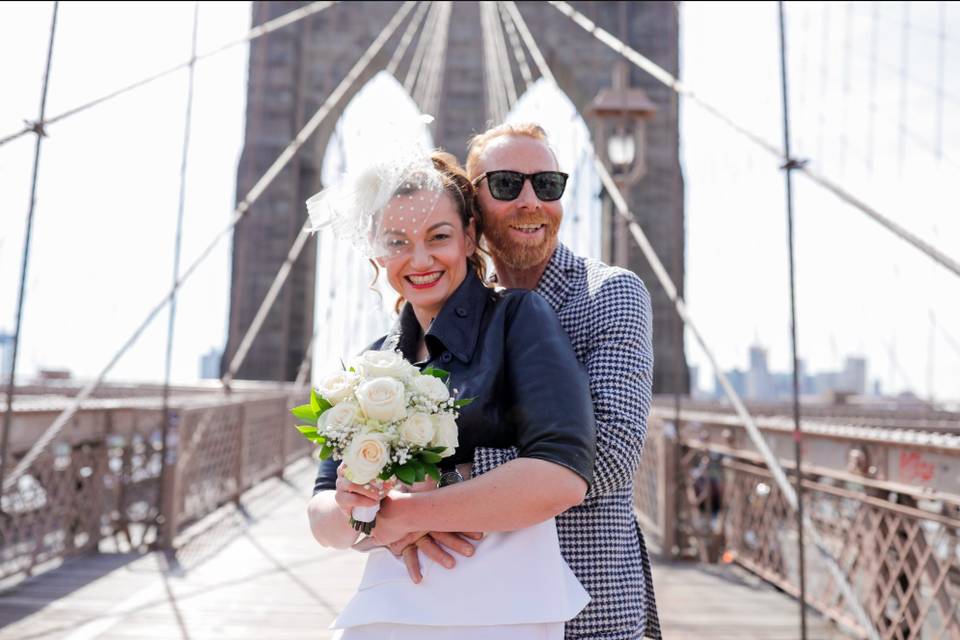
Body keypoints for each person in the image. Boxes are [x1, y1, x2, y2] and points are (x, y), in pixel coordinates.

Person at [306, 148, 597, 639]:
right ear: (376, 250)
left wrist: (403, 513)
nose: (419, 260)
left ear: (468, 236)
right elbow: (322, 517)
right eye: (396, 241)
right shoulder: (371, 362)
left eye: (437, 237)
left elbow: (562, 475)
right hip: (388, 608)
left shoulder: (517, 319)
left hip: (502, 609)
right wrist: (355, 508)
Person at [395, 123, 662, 639]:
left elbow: (604, 459)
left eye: (547, 184)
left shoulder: (609, 295)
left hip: (587, 612)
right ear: (470, 210)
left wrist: (427, 498)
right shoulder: (445, 312)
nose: (529, 201)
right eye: (505, 185)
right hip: (465, 605)